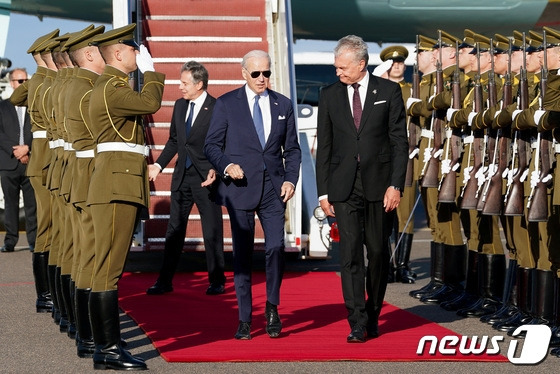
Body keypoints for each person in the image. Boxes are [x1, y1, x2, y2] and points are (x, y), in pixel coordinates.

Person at [315, 35, 408, 342]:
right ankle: (356, 320)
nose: (338, 72)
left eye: (342, 67)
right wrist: (323, 192)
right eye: (336, 67)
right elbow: (324, 145)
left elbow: (399, 142)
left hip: (380, 186)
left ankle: (373, 311)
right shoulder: (329, 95)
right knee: (350, 255)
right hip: (344, 187)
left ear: (361, 64)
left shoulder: (389, 91)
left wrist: (396, 185)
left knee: (379, 252)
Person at [204, 49, 301, 340]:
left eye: (267, 73)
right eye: (256, 73)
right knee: (243, 254)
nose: (262, 78)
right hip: (240, 189)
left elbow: (293, 149)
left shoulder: (282, 104)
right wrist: (226, 165)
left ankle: (272, 307)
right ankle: (245, 318)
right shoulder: (226, 104)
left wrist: (291, 179)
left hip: (273, 188)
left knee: (275, 248)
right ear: (244, 73)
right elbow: (211, 146)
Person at [87, 24, 165, 370]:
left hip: (117, 183)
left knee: (104, 265)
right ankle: (108, 348)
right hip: (116, 185)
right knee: (109, 268)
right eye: (134, 50)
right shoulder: (111, 89)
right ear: (118, 53)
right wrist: (151, 71)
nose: (139, 54)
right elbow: (150, 102)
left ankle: (105, 345)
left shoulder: (108, 87)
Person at [146, 61, 226, 296]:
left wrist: (216, 169)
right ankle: (165, 281)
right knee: (174, 229)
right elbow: (174, 141)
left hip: (207, 178)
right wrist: (159, 165)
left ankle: (217, 280)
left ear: (199, 84)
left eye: (184, 83)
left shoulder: (217, 107)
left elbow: (223, 143)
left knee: (212, 230)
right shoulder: (180, 106)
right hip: (182, 177)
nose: (180, 87)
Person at [0, 68, 36, 254]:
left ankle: (33, 241)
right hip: (8, 163)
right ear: (12, 83)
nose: (23, 85)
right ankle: (10, 241)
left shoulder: (35, 106)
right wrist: (16, 151)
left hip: (31, 161)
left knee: (32, 205)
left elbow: (39, 132)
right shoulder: (2, 107)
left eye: (26, 81)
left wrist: (27, 148)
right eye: (20, 81)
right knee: (10, 204)